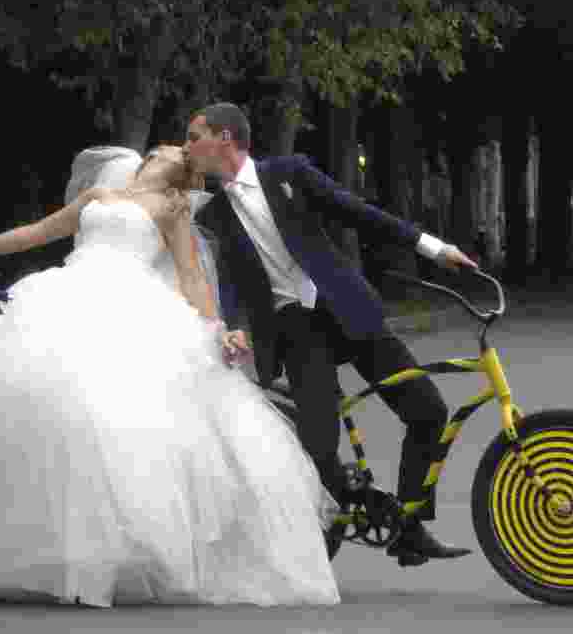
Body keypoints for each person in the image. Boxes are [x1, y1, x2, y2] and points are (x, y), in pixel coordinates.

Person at [0, 145, 341, 607]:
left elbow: (191, 276)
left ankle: (123, 551)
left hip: (133, 312)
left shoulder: (172, 207)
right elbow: (36, 233)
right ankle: (73, 549)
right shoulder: (97, 196)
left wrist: (216, 329)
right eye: (167, 144)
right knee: (57, 417)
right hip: (72, 302)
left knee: (117, 425)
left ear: (178, 169)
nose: (168, 147)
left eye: (177, 148)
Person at [186, 102, 479, 567]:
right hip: (295, 330)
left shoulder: (290, 172)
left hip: (346, 308)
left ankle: (408, 526)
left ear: (224, 138)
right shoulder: (213, 214)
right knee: (319, 446)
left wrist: (433, 247)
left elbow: (358, 213)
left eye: (194, 135)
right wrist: (231, 327)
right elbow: (224, 280)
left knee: (427, 411)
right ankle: (356, 503)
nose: (188, 146)